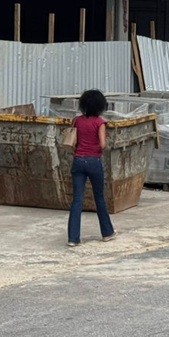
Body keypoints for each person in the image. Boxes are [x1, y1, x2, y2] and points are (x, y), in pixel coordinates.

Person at [67, 88, 116, 247]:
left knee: (77, 200)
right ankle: (107, 233)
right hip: (94, 162)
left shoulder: (76, 120)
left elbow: (72, 140)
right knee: (99, 198)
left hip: (78, 161)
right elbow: (102, 144)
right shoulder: (100, 122)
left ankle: (73, 238)